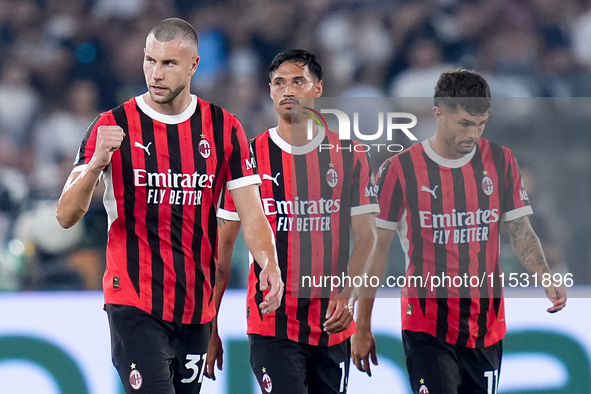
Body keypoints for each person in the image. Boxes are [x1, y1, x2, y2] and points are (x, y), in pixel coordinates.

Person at [56, 18, 283, 394]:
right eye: (149, 61)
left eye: (168, 64)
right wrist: (97, 162)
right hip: (133, 298)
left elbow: (252, 212)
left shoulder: (224, 128)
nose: (155, 73)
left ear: (194, 65)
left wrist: (269, 263)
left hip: (196, 305)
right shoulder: (112, 125)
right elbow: (66, 215)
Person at [374, 69, 567, 394]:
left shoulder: (501, 161)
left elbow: (520, 229)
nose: (472, 133)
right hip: (427, 321)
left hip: (485, 322)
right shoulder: (400, 169)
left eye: (480, 123)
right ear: (438, 114)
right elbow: (375, 245)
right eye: (464, 123)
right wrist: (361, 316)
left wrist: (544, 274)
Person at [205, 49, 380, 393]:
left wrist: (348, 295)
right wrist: (210, 325)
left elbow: (367, 237)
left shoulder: (350, 155)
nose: (288, 91)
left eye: (298, 81)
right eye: (279, 83)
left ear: (317, 89)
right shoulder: (247, 158)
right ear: (269, 91)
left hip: (332, 322)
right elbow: (222, 246)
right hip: (273, 324)